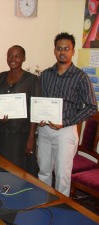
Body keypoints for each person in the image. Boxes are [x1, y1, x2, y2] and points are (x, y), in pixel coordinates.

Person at [38, 32, 97, 196]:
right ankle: (43, 204)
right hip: (44, 130)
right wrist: (39, 118)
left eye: (66, 48)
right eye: (59, 48)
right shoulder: (45, 74)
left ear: (73, 51)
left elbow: (92, 106)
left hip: (65, 132)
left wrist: (66, 122)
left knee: (63, 175)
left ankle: (60, 209)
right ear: (54, 50)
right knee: (43, 171)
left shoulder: (81, 77)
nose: (62, 52)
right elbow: (40, 100)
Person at [0, 45, 41, 176]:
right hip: (2, 133)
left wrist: (31, 137)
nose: (12, 59)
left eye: (17, 56)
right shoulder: (0, 78)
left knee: (20, 170)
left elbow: (34, 109)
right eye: (9, 55)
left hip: (22, 134)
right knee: (2, 167)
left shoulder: (31, 79)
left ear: (23, 58)